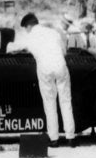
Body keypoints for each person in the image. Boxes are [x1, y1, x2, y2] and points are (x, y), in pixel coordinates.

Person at [8, 13, 76, 147]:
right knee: (66, 100)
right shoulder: (54, 32)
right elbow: (64, 51)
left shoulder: (29, 37)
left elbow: (12, 48)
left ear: (28, 26)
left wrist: (9, 45)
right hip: (60, 65)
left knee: (49, 103)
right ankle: (71, 137)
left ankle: (54, 138)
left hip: (44, 68)